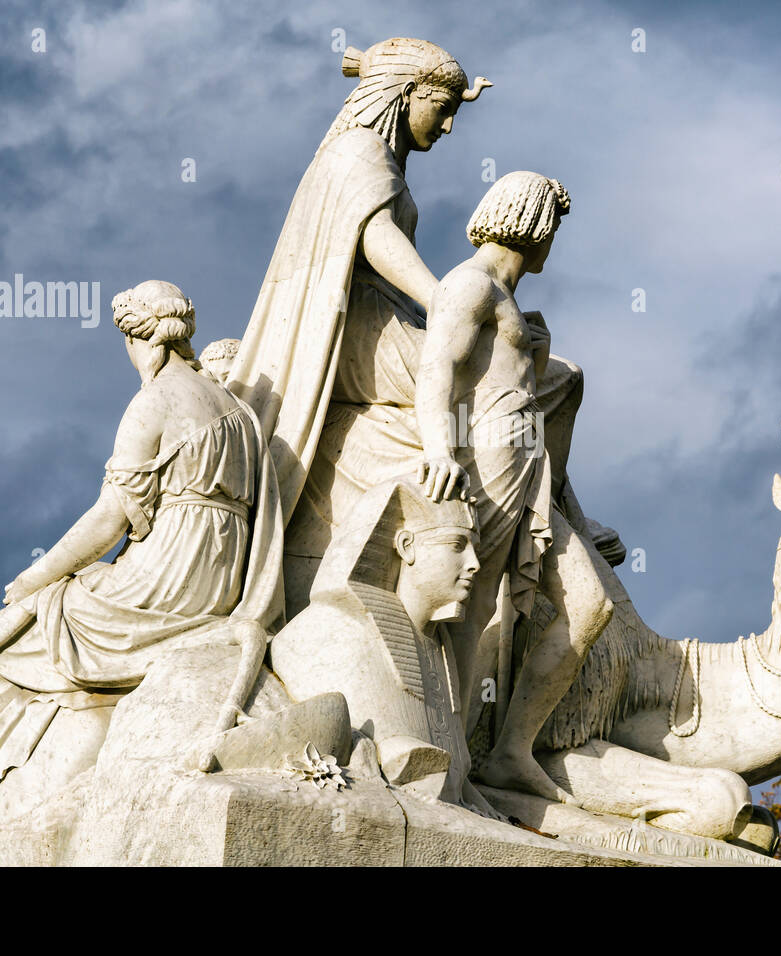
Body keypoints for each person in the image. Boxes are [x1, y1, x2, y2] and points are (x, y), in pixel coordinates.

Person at [0, 280, 284, 863]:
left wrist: (36, 578)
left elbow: (109, 520)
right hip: (219, 584)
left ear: (135, 336)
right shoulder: (241, 412)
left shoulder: (155, 400)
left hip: (161, 585)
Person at [224, 37, 616, 618]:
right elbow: (378, 242)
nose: (450, 125)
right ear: (406, 93)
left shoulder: (379, 158)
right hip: (362, 334)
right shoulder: (358, 152)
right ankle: (545, 519)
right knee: (515, 382)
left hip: (393, 320)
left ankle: (560, 510)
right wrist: (451, 302)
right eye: (444, 107)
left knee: (553, 376)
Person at [416, 172, 613, 803]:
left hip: (531, 469)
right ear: (533, 222)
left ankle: (508, 752)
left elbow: (550, 422)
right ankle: (447, 760)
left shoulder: (509, 300)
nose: (554, 241)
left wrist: (578, 514)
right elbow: (436, 370)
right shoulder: (469, 286)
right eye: (553, 224)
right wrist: (441, 450)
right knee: (471, 616)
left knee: (589, 606)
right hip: (489, 457)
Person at [270, 477, 498, 817]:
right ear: (407, 546)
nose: (474, 563)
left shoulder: (440, 649)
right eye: (457, 545)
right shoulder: (328, 631)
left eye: (474, 547)